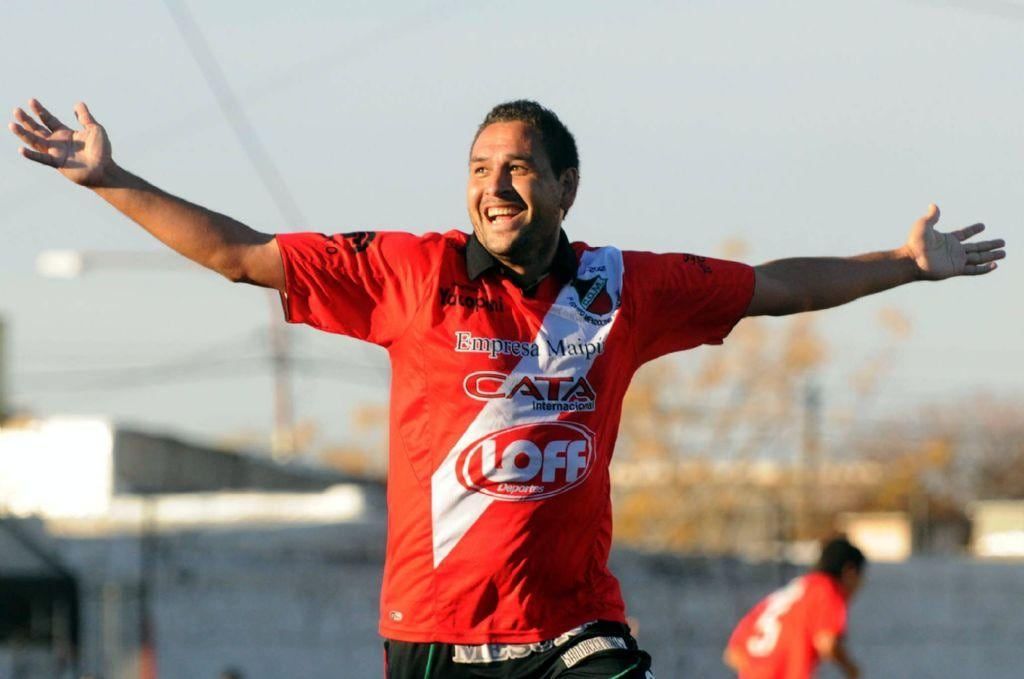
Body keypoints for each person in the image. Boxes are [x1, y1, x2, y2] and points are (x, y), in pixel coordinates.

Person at [9, 99, 1004, 678]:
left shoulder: (625, 287)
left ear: (566, 188)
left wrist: (904, 264)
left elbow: (779, 288)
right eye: (480, 167)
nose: (494, 185)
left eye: (519, 168)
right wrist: (110, 177)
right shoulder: (406, 272)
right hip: (434, 632)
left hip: (571, 624)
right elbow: (236, 254)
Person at [724, 537, 867, 679]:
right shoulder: (827, 590)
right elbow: (826, 642)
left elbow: (734, 653)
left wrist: (762, 669)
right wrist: (851, 670)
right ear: (850, 572)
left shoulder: (797, 588)